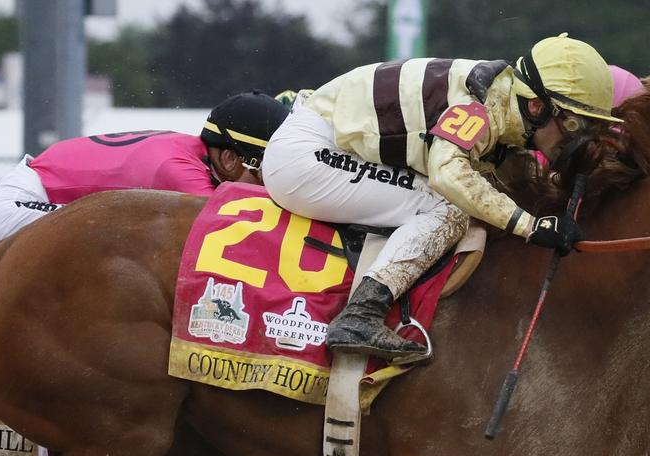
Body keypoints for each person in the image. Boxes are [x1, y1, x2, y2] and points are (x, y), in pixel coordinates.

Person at [261, 34, 620, 362]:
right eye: (575, 125)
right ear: (538, 107)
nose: (579, 140)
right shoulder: (481, 105)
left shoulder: (507, 105)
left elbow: (509, 170)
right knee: (448, 207)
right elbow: (448, 172)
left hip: (324, 147)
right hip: (308, 156)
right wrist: (529, 226)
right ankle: (359, 316)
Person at [0, 91, 290, 248]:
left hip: (41, 191)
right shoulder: (179, 170)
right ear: (230, 160)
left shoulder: (193, 156)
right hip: (15, 205)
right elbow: (229, 234)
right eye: (266, 173)